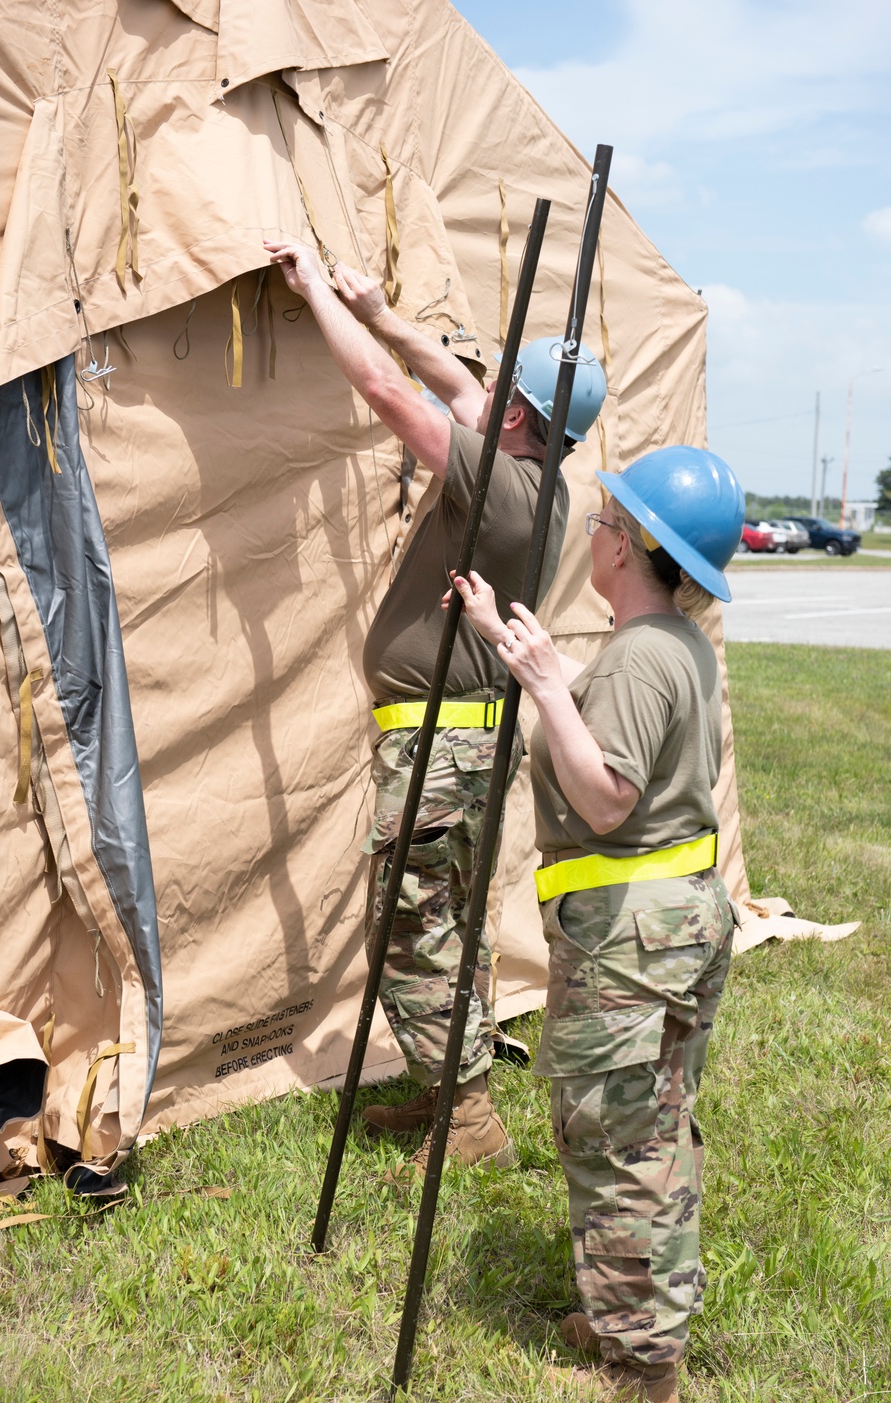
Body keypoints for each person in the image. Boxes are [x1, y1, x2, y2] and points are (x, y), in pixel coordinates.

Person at [265, 238, 606, 1171]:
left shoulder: (499, 486)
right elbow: (455, 387)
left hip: (440, 755)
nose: (478, 387)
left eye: (500, 389)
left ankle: (468, 1120)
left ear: (522, 418)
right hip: (467, 746)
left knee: (412, 926)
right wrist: (376, 308)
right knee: (454, 924)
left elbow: (390, 395)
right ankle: (446, 1091)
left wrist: (315, 296)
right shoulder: (536, 477)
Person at [450, 446, 745, 1403]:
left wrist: (540, 687)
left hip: (628, 937)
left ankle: (638, 1368)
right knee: (652, 1127)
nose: (593, 534)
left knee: (619, 1138)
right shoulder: (670, 649)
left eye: (604, 523)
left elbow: (609, 795)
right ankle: (629, 1310)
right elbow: (618, 707)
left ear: (631, 547)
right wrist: (522, 649)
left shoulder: (639, 655)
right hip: (672, 926)